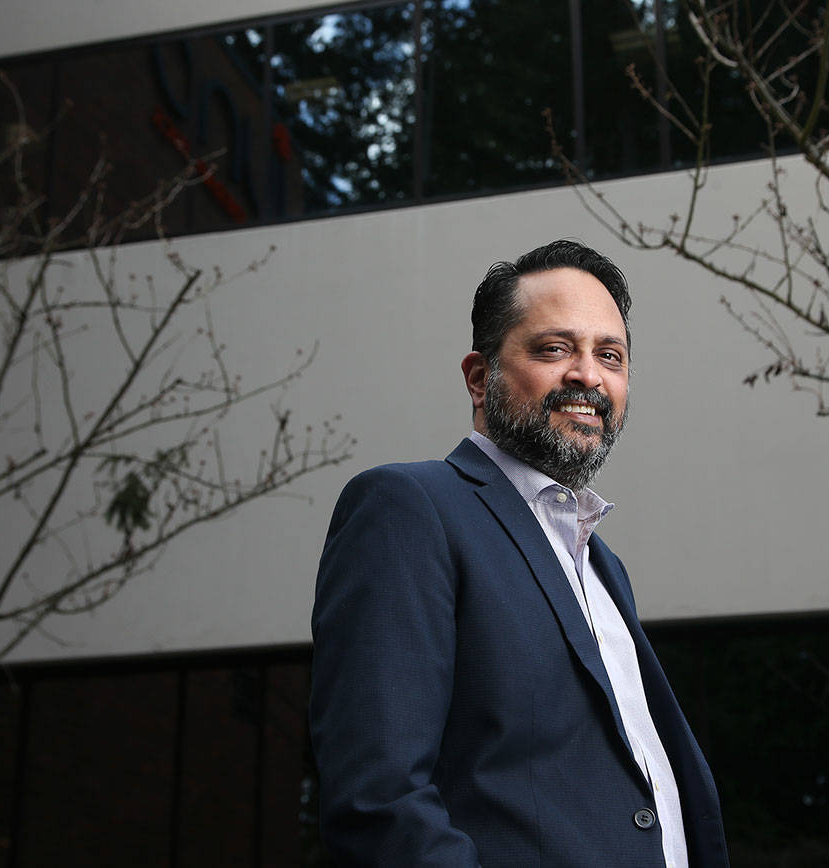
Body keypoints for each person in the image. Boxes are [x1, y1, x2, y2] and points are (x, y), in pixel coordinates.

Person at [309, 239, 729, 867]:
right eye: (555, 348)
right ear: (481, 378)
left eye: (609, 355)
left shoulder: (602, 564)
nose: (588, 375)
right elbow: (378, 798)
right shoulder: (410, 508)